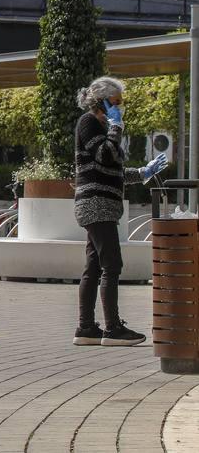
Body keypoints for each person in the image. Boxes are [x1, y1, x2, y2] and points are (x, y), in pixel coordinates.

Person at [73, 76, 167, 347]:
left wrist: (143, 172)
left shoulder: (102, 127)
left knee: (93, 266)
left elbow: (111, 170)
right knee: (111, 265)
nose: (120, 107)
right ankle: (113, 329)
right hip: (96, 204)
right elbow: (105, 155)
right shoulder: (89, 122)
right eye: (115, 102)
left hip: (102, 204)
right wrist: (116, 126)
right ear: (100, 101)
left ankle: (86, 328)